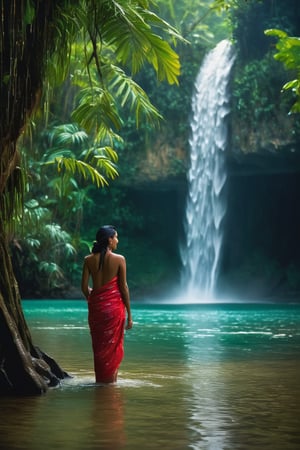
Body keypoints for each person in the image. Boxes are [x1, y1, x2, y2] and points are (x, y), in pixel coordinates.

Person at [81, 225, 133, 383]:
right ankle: (110, 384)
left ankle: (101, 383)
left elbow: (84, 287)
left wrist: (94, 298)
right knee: (112, 347)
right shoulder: (119, 259)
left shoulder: (88, 259)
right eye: (116, 237)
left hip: (96, 309)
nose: (117, 240)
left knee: (99, 347)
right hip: (115, 310)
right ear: (109, 240)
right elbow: (123, 288)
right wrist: (130, 314)